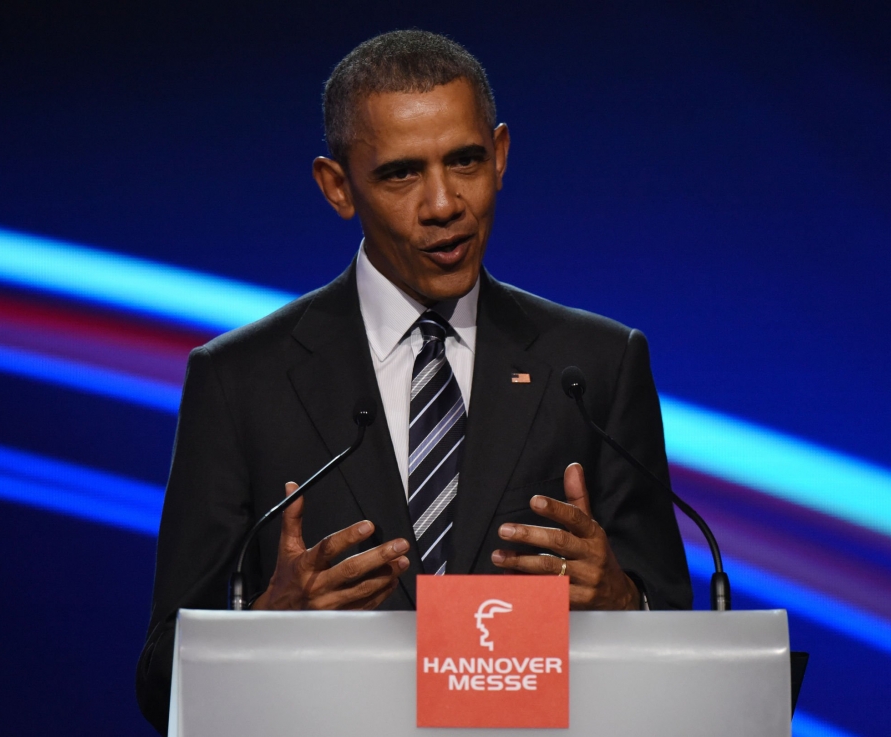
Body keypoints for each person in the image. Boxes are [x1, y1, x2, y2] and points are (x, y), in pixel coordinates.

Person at [136, 29, 691, 734]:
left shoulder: (597, 365)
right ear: (338, 187)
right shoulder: (239, 380)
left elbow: (682, 641)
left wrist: (621, 604)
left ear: (500, 155)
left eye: (464, 161)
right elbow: (160, 679)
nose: (443, 203)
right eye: (401, 173)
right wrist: (261, 627)